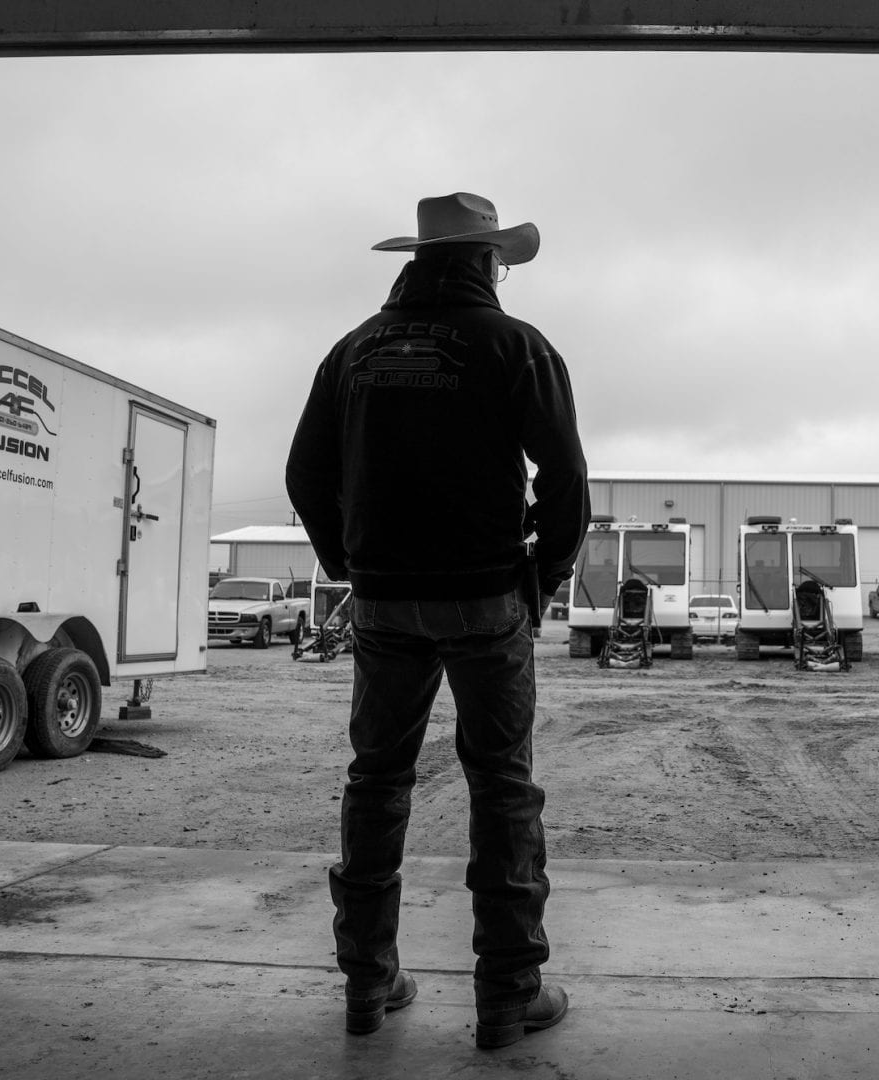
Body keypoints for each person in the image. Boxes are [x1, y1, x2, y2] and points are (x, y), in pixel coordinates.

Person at [285, 192, 590, 1048]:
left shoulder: (352, 352)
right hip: (487, 596)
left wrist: (349, 563)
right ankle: (508, 996)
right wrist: (543, 578)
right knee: (502, 787)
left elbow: (304, 473)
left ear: (418, 261)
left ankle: (367, 984)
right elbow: (566, 478)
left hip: (384, 599)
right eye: (498, 260)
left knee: (377, 781)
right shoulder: (516, 345)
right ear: (486, 262)